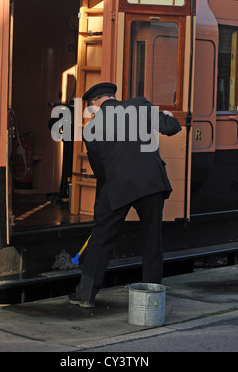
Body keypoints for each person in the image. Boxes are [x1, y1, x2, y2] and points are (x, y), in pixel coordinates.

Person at [67, 82, 181, 308]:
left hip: (118, 186)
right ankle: (151, 298)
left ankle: (86, 296)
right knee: (152, 240)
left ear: (94, 104)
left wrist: (103, 205)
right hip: (151, 184)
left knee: (101, 239)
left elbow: (100, 172)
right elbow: (172, 126)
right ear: (112, 97)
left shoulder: (91, 129)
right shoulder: (139, 106)